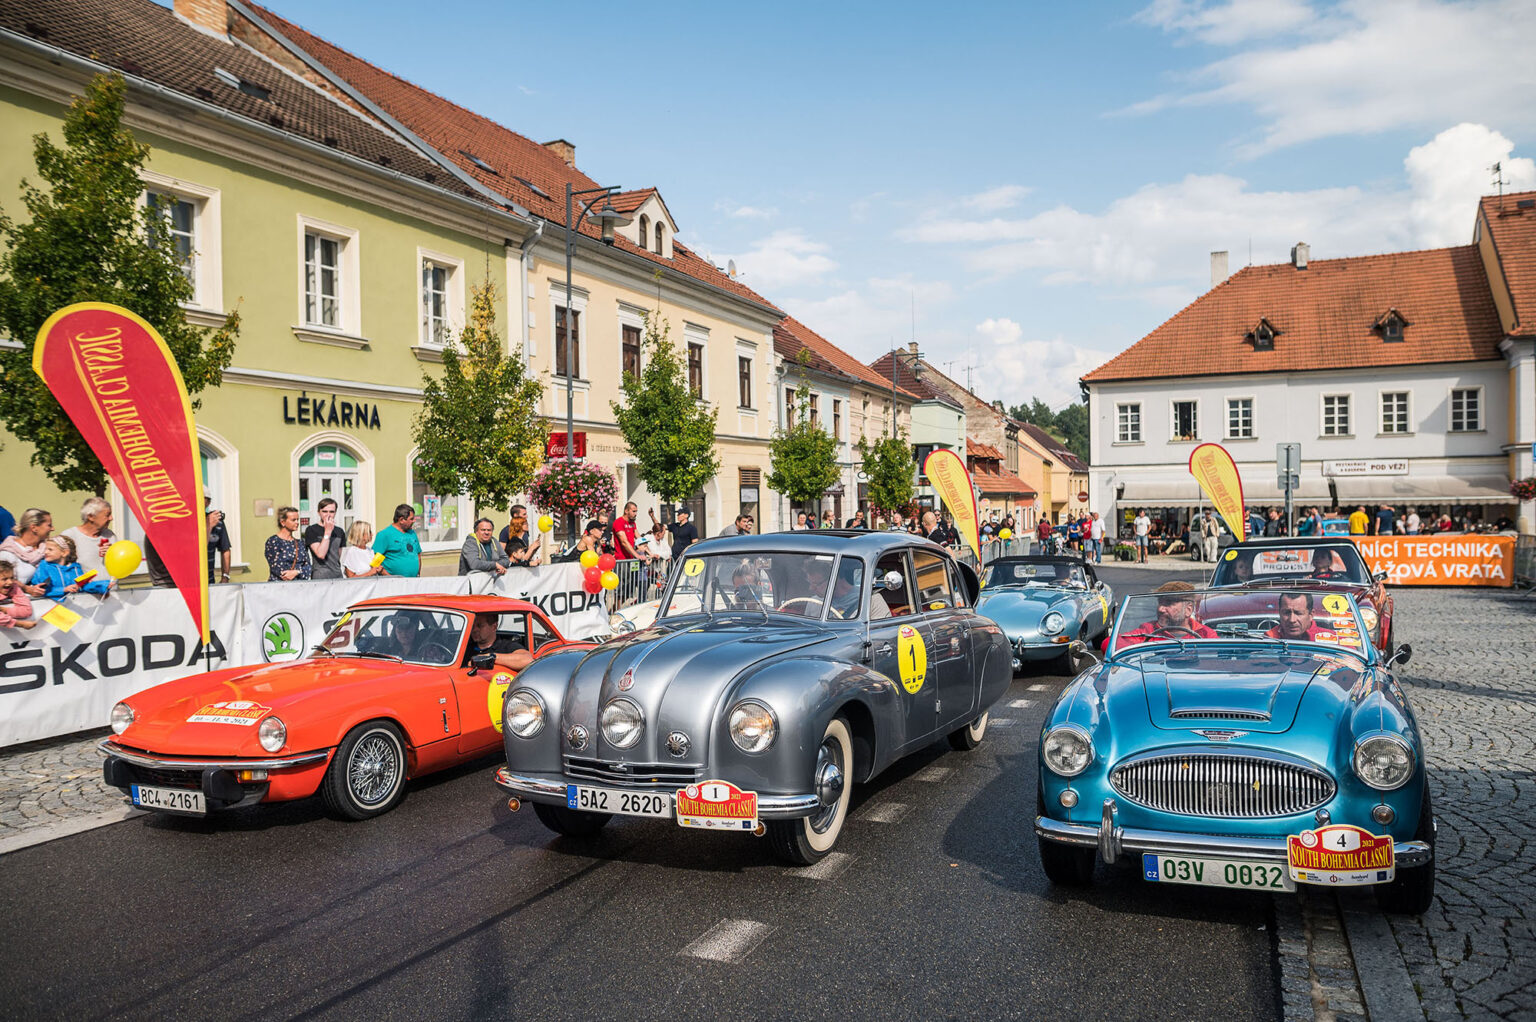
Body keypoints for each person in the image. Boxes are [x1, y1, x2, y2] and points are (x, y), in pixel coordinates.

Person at [1115, 581, 1217, 649]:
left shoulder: (1205, 634)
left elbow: (1217, 660)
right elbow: (1113, 644)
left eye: (1168, 603)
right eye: (1160, 602)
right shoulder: (1149, 631)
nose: (1160, 609)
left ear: (1188, 610)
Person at [33, 536, 110, 600]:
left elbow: (83, 586)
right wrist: (63, 590)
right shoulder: (44, 567)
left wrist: (102, 587)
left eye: (50, 549)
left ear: (64, 553)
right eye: (45, 549)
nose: (46, 552)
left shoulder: (75, 568)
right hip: (52, 610)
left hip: (74, 609)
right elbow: (41, 590)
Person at [462, 611, 533, 672]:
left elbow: (527, 660)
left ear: (494, 627)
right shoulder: (464, 647)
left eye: (480, 626)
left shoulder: (506, 646)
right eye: (472, 625)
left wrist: (490, 657)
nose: (474, 630)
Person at [1, 508, 52, 593]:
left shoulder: (48, 549)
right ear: (34, 528)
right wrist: (27, 589)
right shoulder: (7, 553)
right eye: (49, 525)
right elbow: (3, 580)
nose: (52, 528)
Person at [61, 497, 115, 578]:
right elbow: (60, 568)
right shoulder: (70, 536)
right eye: (107, 515)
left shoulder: (109, 535)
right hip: (83, 590)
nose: (111, 518)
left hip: (110, 589)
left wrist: (113, 554)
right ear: (91, 517)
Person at [304, 498, 347, 581]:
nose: (328, 514)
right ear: (318, 512)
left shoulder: (339, 531)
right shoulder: (312, 530)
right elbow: (321, 554)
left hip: (337, 575)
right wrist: (327, 532)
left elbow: (337, 556)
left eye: (331, 512)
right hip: (320, 576)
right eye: (324, 511)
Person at [372, 504, 420, 577]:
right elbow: (375, 563)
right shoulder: (385, 535)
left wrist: (418, 573)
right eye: (411, 519)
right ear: (401, 520)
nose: (414, 521)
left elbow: (418, 555)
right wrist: (390, 577)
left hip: (413, 582)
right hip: (393, 583)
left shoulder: (412, 533)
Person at [265, 506, 311, 581]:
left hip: (299, 587)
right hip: (278, 587)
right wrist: (299, 572)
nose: (297, 522)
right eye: (293, 520)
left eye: (297, 519)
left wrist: (296, 572)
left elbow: (308, 567)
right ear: (283, 522)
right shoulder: (273, 542)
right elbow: (277, 568)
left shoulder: (301, 543)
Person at [1266, 593, 1336, 642]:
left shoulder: (1331, 640)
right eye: (1286, 613)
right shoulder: (1269, 639)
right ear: (1280, 613)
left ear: (1311, 615)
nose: (1292, 620)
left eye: (1298, 613)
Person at [0, 560, 37, 630]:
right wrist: (20, 624)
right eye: (5, 579)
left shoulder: (14, 587)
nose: (10, 582)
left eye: (12, 578)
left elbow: (26, 610)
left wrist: (5, 610)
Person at [206, 497, 232, 584]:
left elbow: (225, 549)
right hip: (187, 584)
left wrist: (225, 577)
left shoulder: (217, 522)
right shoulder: (186, 521)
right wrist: (208, 526)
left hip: (209, 582)